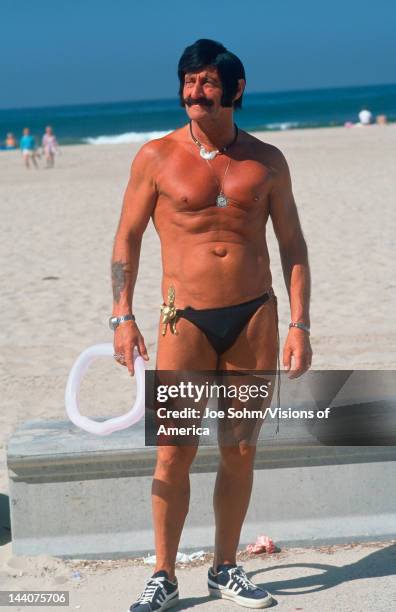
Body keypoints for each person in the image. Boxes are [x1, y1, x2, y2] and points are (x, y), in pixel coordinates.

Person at [111, 39, 312, 611]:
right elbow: (126, 239)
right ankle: (165, 574)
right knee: (173, 450)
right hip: (184, 320)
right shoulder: (155, 157)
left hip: (254, 317)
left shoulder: (267, 160)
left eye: (205, 83)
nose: (194, 93)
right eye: (188, 82)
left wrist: (300, 324)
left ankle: (226, 568)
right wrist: (122, 316)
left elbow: (292, 244)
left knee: (240, 449)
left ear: (236, 88)